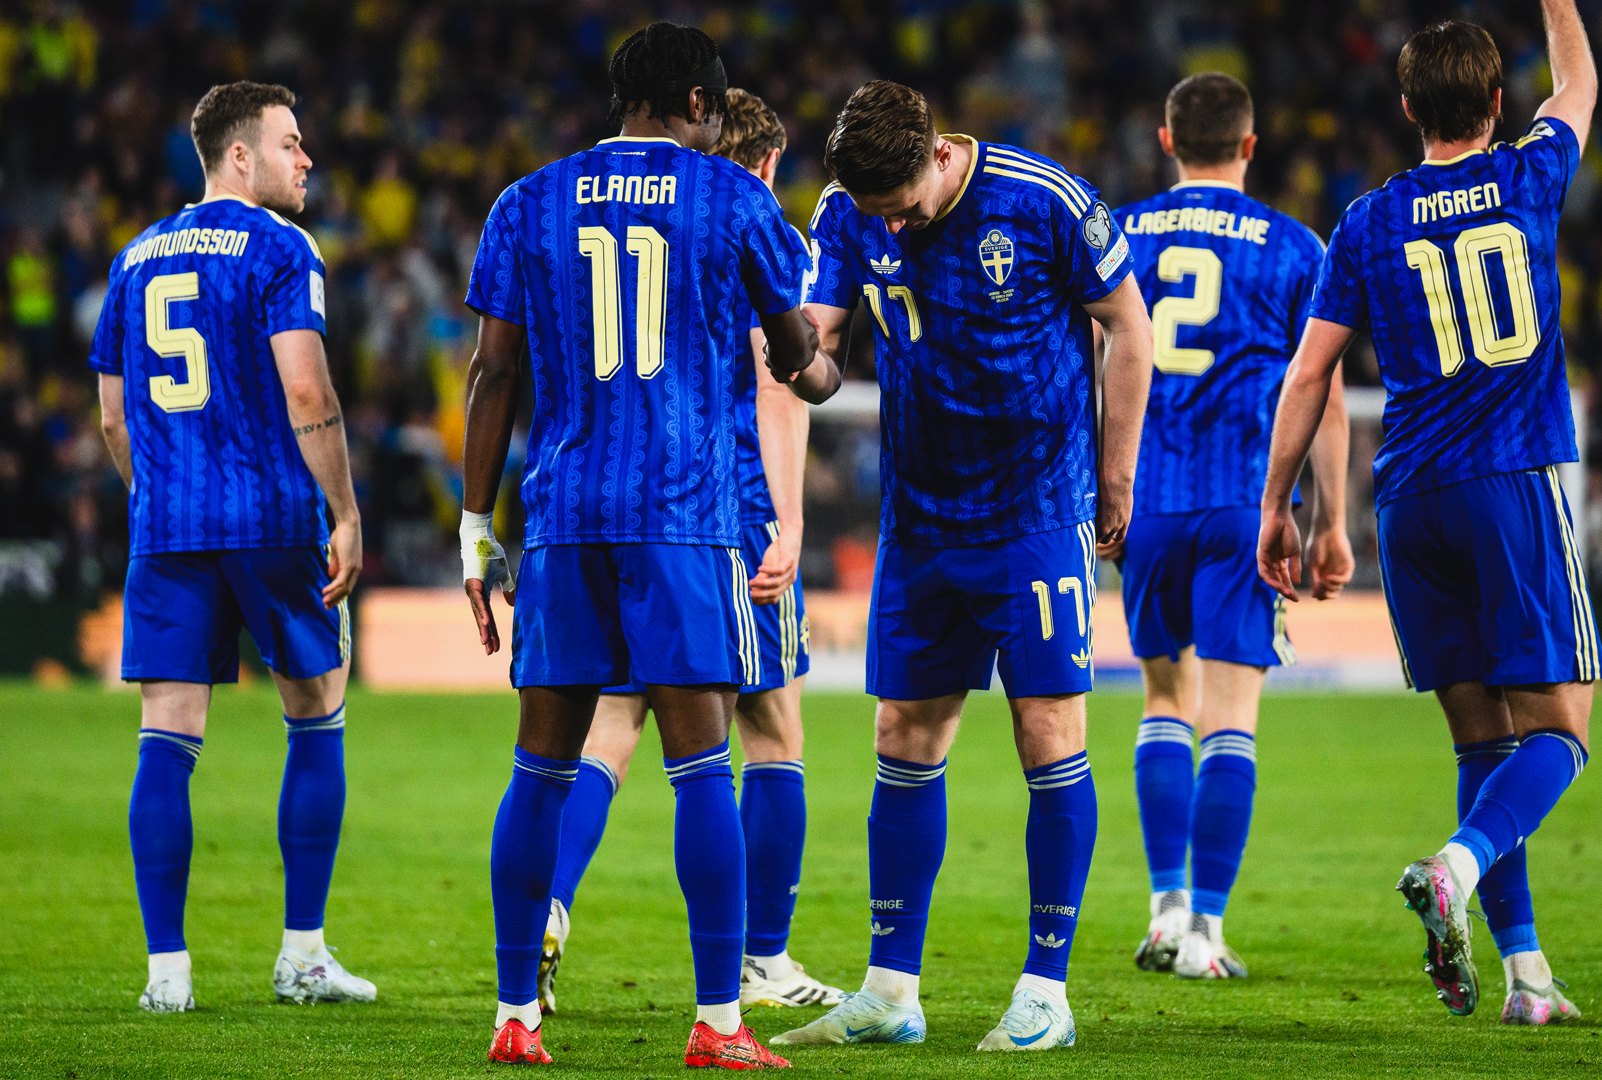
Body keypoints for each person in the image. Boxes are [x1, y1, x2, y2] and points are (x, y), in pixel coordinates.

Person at [768, 79, 1154, 1053]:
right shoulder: (848, 211)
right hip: (922, 521)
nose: (887, 224)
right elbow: (823, 357)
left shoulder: (1042, 201)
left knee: (1048, 733)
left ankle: (1045, 990)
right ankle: (892, 991)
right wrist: (793, 357)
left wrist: (1116, 483)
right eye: (872, 210)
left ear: (939, 153)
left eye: (899, 203)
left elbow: (1131, 329)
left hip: (1035, 516)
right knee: (903, 735)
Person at [458, 23, 817, 1069]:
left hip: (563, 515)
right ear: (702, 106)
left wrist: (477, 526)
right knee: (705, 767)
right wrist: (825, 374)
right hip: (685, 516)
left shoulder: (525, 202)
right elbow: (794, 354)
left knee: (540, 769)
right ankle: (718, 1023)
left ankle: (514, 1016)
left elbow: (493, 375)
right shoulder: (734, 197)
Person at [1256, 0, 1601, 1026]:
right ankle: (1455, 865)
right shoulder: (1531, 174)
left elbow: (1310, 372)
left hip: (1409, 500)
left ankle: (1528, 978)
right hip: (1512, 480)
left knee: (1481, 744)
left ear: (1409, 108)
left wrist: (1285, 505)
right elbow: (1579, 88)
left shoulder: (1365, 220)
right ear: (1499, 103)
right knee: (1561, 732)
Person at [533, 87, 843, 1016]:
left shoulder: (638, 217)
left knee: (613, 725)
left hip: (617, 507)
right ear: (767, 163)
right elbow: (783, 387)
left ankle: (548, 898)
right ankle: (762, 961)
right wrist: (786, 521)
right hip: (724, 510)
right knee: (770, 729)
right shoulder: (745, 227)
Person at [91, 81, 372, 1013]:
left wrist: (162, 496)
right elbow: (306, 391)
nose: (306, 160)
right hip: (270, 521)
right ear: (239, 156)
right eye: (291, 144)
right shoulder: (282, 247)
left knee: (166, 738)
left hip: (168, 529)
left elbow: (113, 418)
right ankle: (302, 955)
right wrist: (345, 509)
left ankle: (165, 973)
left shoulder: (133, 259)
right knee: (317, 709)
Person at [1113, 72, 1352, 982]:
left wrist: (1104, 485)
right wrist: (1329, 520)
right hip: (1246, 505)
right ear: (1251, 146)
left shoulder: (1121, 235)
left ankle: (1165, 911)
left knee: (1163, 701)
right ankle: (1206, 933)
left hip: (1148, 500)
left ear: (1167, 141)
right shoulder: (1296, 248)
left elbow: (1093, 358)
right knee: (1232, 721)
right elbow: (1320, 396)